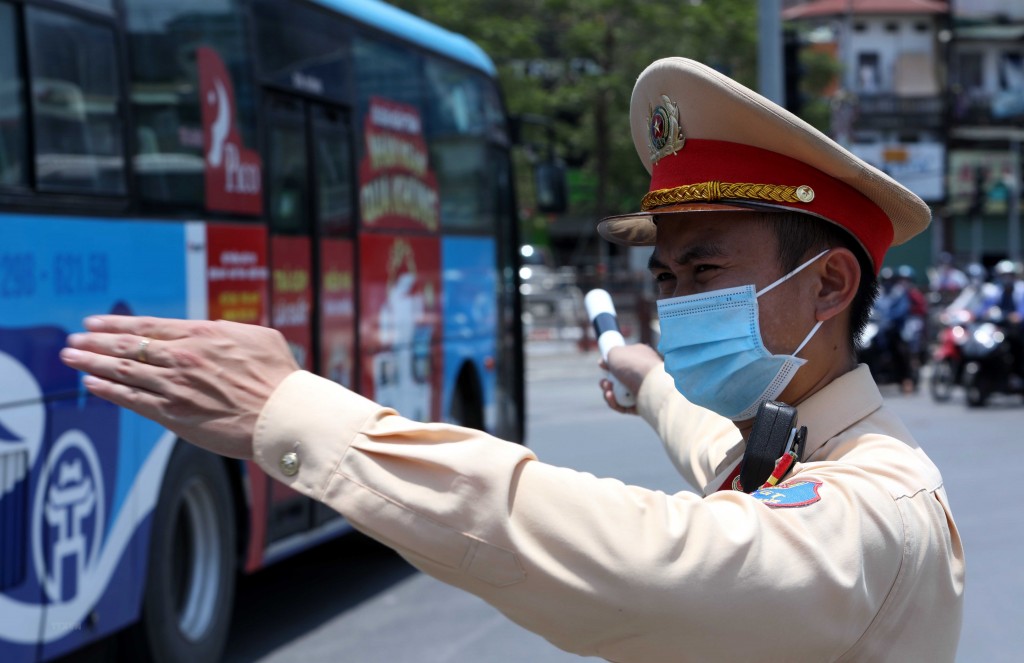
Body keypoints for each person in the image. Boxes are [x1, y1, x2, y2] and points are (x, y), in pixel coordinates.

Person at [60, 58, 964, 661]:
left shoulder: (876, 508)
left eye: (705, 269)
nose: (679, 298)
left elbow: (643, 556)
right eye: (664, 273)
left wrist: (296, 410)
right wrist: (650, 382)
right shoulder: (786, 448)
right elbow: (716, 450)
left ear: (831, 284)